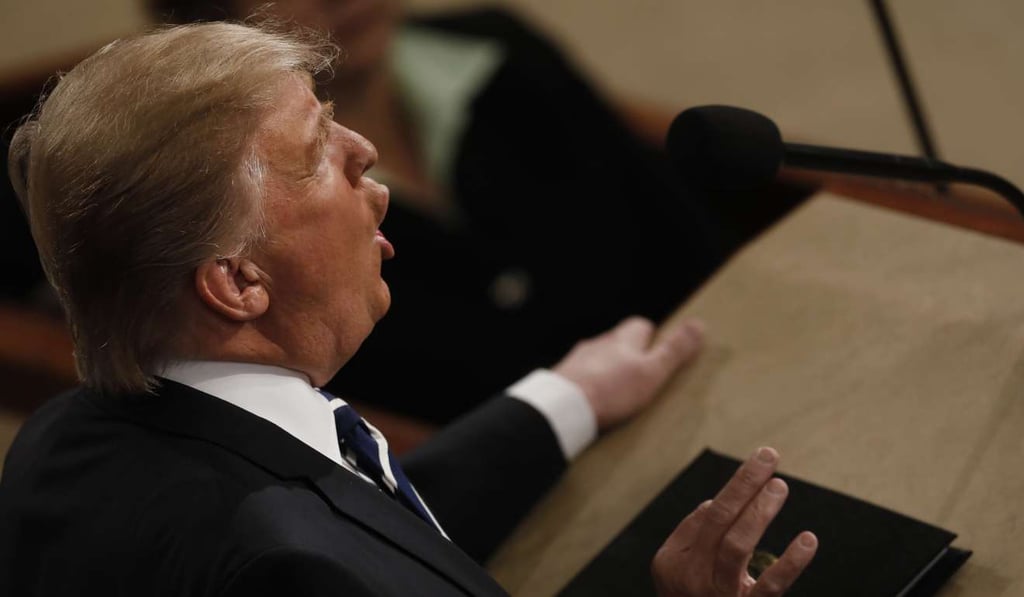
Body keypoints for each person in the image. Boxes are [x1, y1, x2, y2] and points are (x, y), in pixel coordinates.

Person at [0, 22, 816, 596]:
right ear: (239, 282)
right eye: (317, 150)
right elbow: (336, 558)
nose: (365, 154)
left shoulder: (66, 439)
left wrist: (564, 398)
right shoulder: (287, 565)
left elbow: (358, 517)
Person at [147, 0, 811, 425]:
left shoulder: (500, 49)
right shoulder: (233, 206)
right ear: (208, 18)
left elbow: (688, 244)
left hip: (708, 400)